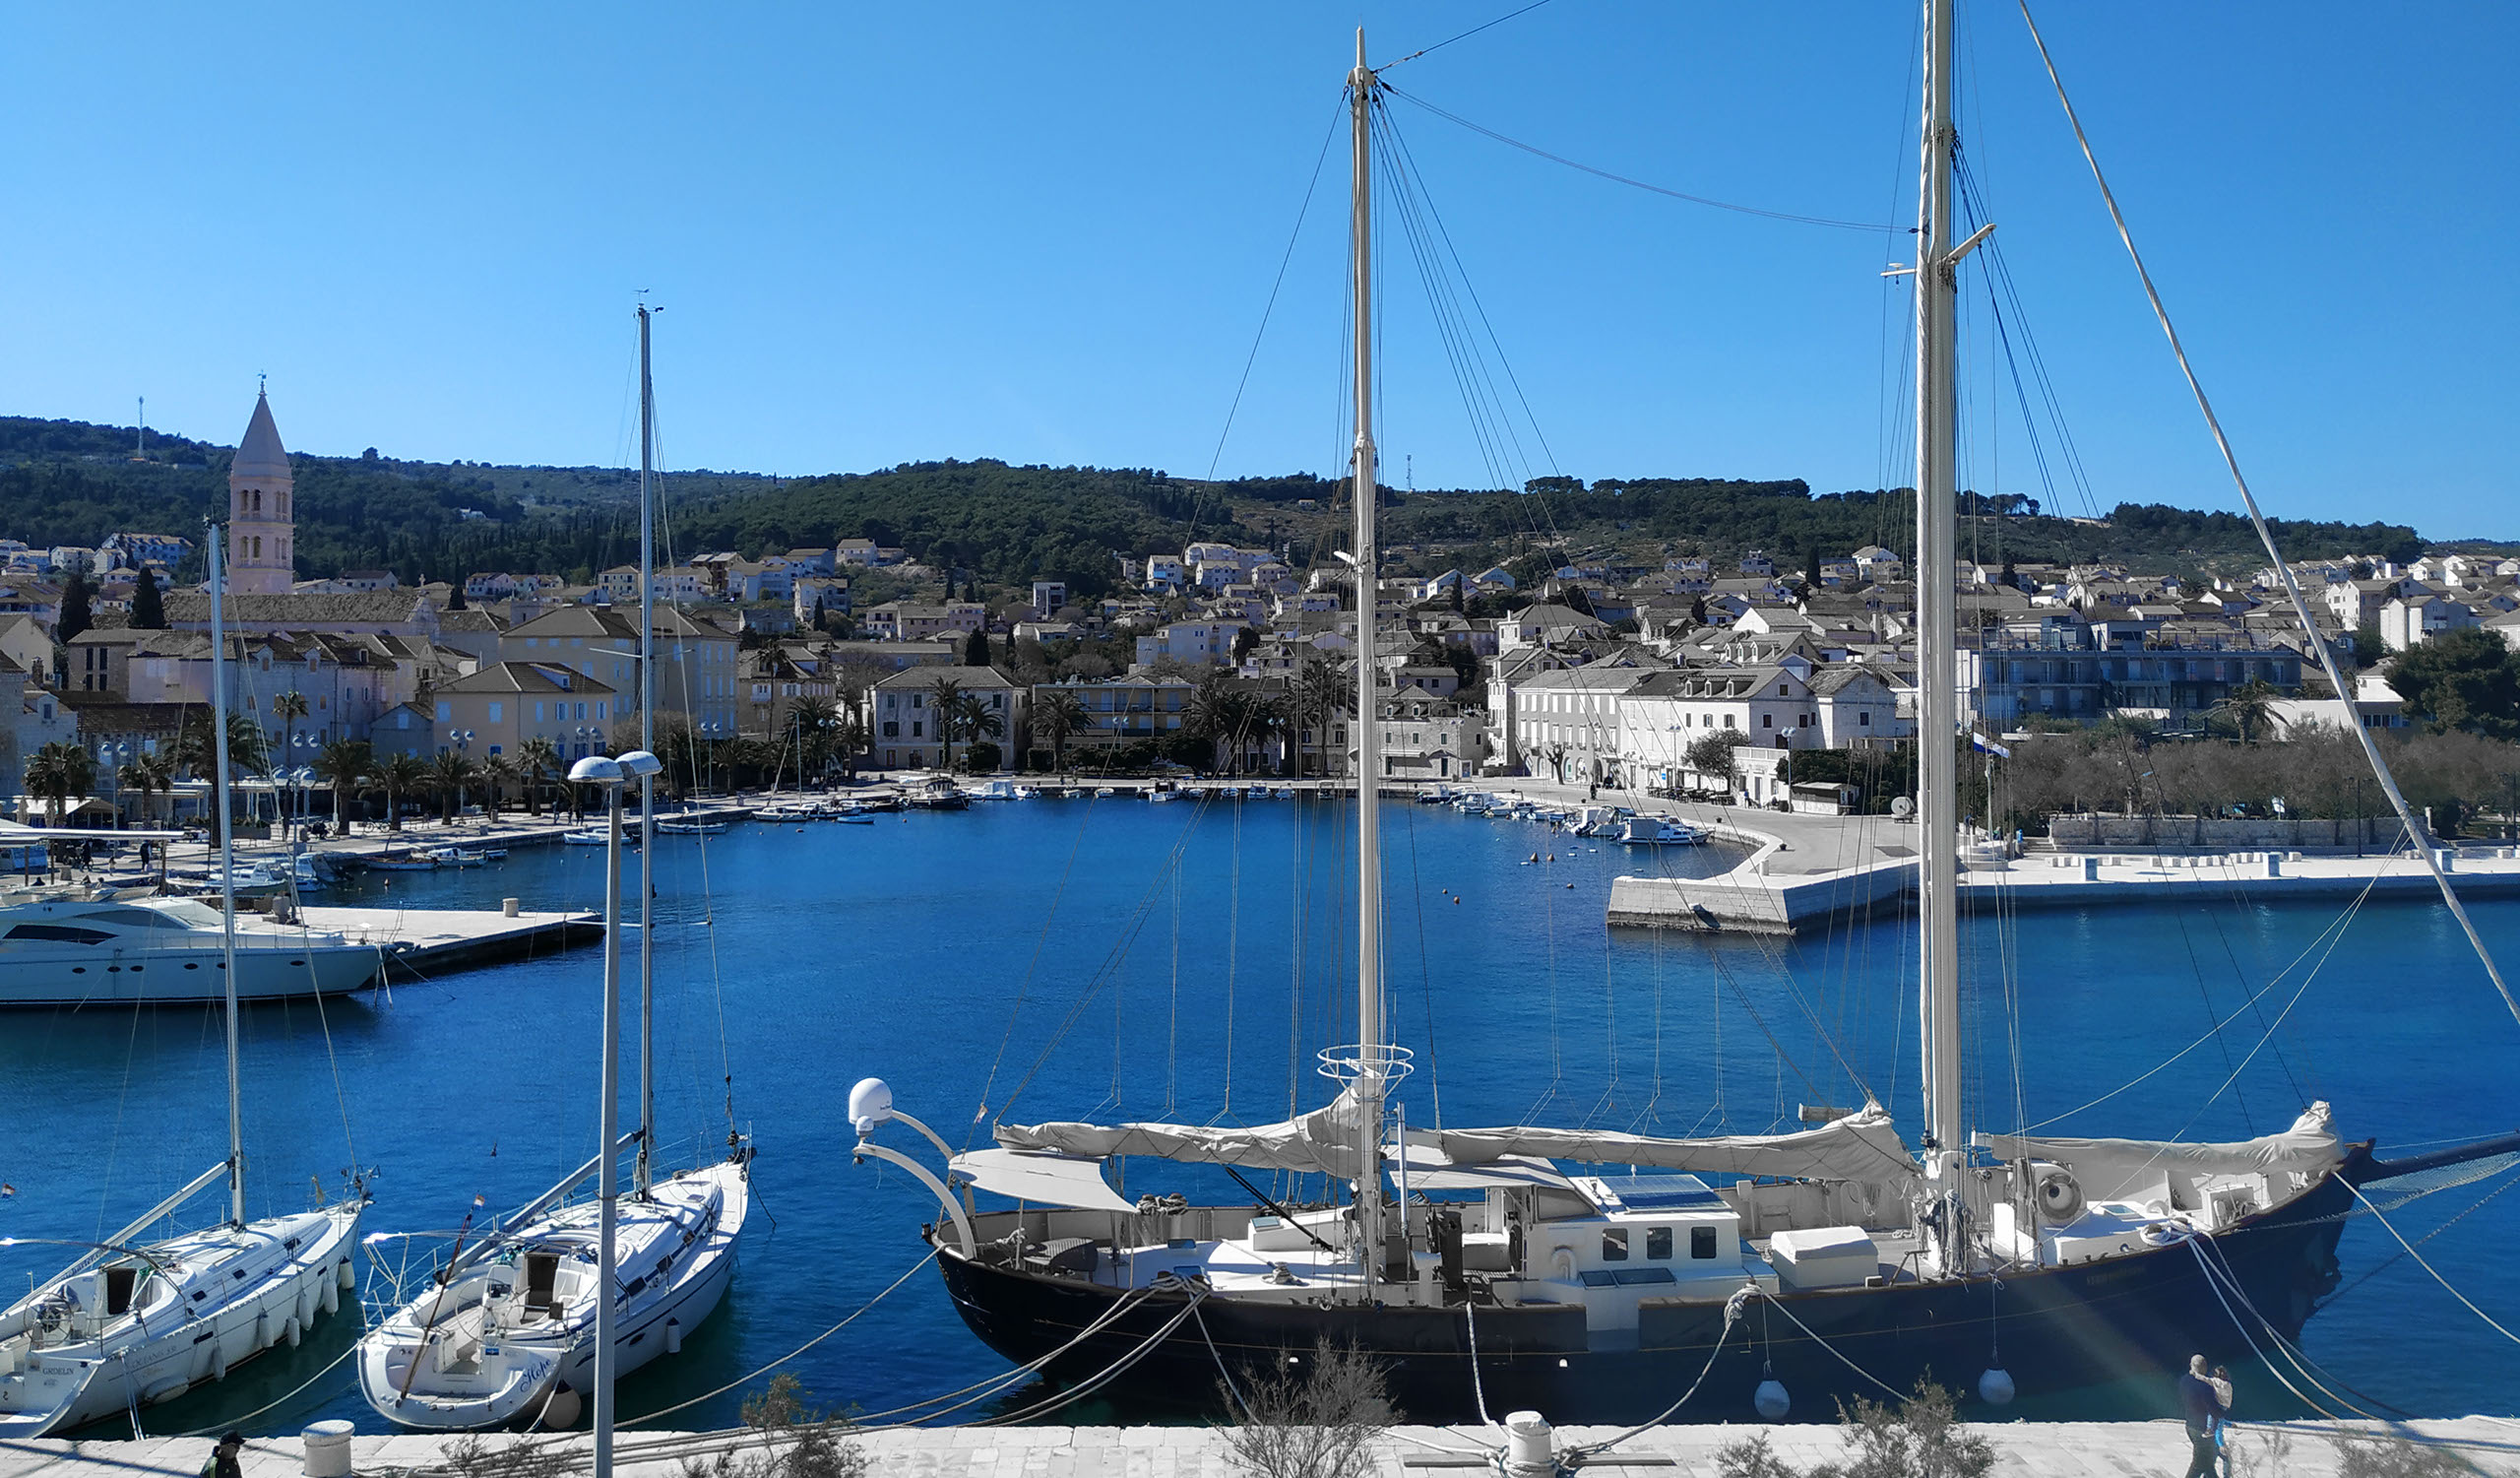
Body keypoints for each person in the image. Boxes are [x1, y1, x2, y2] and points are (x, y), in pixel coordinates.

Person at [2178, 1355, 2220, 1478]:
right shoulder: (2205, 1386)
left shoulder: (2184, 1380)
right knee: (2200, 1463)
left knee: (2207, 1462)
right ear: (2205, 1367)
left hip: (2190, 1426)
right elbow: (2214, 1410)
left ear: (2191, 1366)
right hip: (2203, 1430)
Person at [2209, 1365, 2236, 1477]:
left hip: (2210, 1441)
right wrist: (2221, 1444)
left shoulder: (2214, 1408)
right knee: (2226, 1459)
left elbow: (2219, 1421)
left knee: (2210, 1464)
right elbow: (2217, 1429)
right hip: (2214, 1442)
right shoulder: (2218, 1410)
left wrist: (2229, 1424)